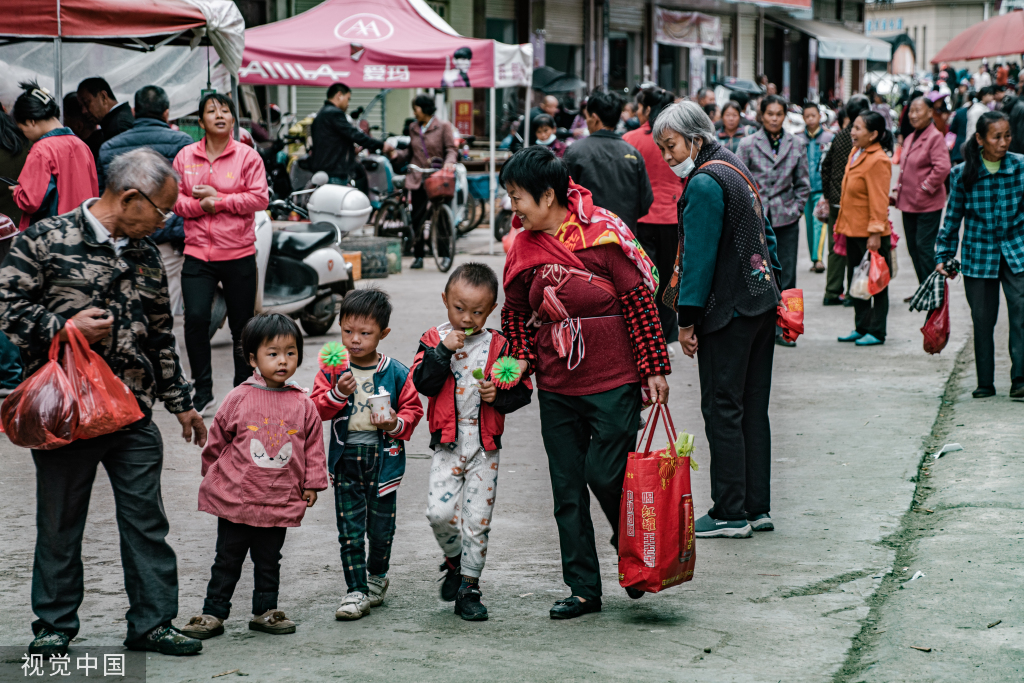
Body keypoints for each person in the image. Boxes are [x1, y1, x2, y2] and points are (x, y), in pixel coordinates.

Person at [0, 147, 207, 657]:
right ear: (130, 198)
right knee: (60, 522)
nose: (163, 224)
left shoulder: (145, 255)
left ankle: (152, 623)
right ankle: (53, 627)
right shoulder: (45, 240)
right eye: (160, 211)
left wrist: (181, 402)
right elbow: (6, 303)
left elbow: (161, 335)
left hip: (132, 410)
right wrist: (63, 327)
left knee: (146, 521)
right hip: (67, 412)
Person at [500, 146, 670, 619]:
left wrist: (654, 367)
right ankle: (583, 589)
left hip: (613, 382)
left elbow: (639, 303)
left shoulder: (602, 234)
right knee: (567, 491)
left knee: (605, 473)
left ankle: (632, 552)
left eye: (518, 197)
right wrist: (512, 370)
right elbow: (514, 316)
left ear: (548, 194)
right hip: (557, 387)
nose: (513, 208)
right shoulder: (524, 248)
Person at [653, 100, 780, 539]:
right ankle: (755, 506)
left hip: (730, 311)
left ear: (695, 137)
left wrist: (685, 321)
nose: (668, 157)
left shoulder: (705, 182)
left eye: (671, 146)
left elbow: (698, 261)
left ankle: (729, 511)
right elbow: (768, 233)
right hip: (761, 303)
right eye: (663, 149)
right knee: (751, 409)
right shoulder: (733, 165)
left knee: (723, 409)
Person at [180, 314, 329, 640]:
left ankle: (266, 611)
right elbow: (216, 440)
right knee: (227, 558)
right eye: (272, 353)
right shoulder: (239, 397)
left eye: (290, 352)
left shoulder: (303, 403)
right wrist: (212, 475)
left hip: (279, 498)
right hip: (237, 498)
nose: (282, 361)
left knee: (269, 560)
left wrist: (313, 483)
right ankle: (212, 613)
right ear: (253, 358)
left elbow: (314, 446)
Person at [412, 263, 533, 621]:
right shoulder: (433, 339)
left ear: (492, 309)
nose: (467, 318)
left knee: (477, 521)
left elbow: (522, 391)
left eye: (477, 311)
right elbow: (423, 382)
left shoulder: (499, 344)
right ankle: (453, 561)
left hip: (485, 448)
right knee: (439, 513)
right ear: (445, 300)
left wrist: (498, 396)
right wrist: (442, 352)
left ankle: (469, 586)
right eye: (459, 308)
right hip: (448, 444)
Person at [310, 289, 423, 621]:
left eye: (365, 333)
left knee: (381, 529)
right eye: (347, 331)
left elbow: (413, 411)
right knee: (350, 529)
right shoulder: (333, 369)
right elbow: (316, 408)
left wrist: (394, 422)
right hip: (346, 461)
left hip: (384, 462)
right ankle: (356, 589)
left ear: (383, 333)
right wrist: (336, 393)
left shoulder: (397, 372)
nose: (354, 339)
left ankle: (376, 576)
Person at [173, 93, 268, 417]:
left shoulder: (247, 156)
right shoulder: (185, 156)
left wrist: (221, 199)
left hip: (239, 252)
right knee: (196, 318)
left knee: (243, 326)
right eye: (212, 110)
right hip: (198, 253)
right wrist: (202, 206)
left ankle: (242, 388)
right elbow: (175, 201)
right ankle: (203, 390)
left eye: (225, 110)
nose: (219, 114)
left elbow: (259, 199)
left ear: (232, 120)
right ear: (201, 121)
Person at [936, 111, 1024, 399]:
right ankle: (985, 382)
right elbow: (952, 218)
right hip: (978, 255)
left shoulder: (1020, 167)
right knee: (983, 320)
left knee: (1021, 316)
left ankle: (1020, 379)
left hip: (1016, 253)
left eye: (1007, 136)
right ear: (980, 139)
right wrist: (945, 254)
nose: (1003, 142)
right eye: (996, 137)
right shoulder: (962, 173)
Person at [99, 85, 194, 316]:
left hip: (121, 242)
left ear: (134, 111)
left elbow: (105, 195)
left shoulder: (108, 147)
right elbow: (188, 193)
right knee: (163, 312)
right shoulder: (184, 143)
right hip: (167, 242)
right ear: (166, 113)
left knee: (122, 309)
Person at [736, 94, 810, 347]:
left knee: (788, 275)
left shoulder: (796, 144)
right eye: (770, 114)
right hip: (755, 219)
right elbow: (739, 181)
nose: (775, 118)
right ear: (762, 115)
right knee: (757, 272)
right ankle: (760, 324)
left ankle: (788, 326)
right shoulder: (747, 144)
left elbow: (803, 184)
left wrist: (796, 208)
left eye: (779, 114)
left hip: (786, 218)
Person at [624, 85, 682, 345]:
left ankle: (648, 331)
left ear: (647, 109)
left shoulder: (631, 139)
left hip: (642, 218)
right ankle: (669, 334)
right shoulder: (677, 138)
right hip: (672, 216)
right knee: (671, 277)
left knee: (647, 277)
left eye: (638, 107)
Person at [835, 111, 894, 347]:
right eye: (853, 127)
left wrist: (875, 233)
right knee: (857, 280)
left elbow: (879, 200)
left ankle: (877, 331)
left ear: (874, 134)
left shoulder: (878, 159)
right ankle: (861, 327)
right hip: (852, 230)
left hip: (871, 235)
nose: (853, 132)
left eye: (859, 129)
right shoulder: (856, 152)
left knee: (876, 283)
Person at [9, 82, 98, 231]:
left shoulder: (41, 150)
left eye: (22, 129)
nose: (25, 135)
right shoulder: (82, 146)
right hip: (83, 232)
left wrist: (18, 192)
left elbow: (31, 201)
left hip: (55, 237)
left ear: (31, 121)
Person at [563, 90, 654, 231]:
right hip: (624, 235)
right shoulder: (632, 153)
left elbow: (564, 197)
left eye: (587, 117)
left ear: (594, 117)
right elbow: (646, 201)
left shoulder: (575, 151)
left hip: (586, 237)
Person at [389, 94, 458, 270]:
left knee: (442, 220)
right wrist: (396, 155)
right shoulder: (413, 127)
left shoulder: (443, 126)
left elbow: (451, 149)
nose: (414, 113)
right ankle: (418, 255)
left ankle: (444, 255)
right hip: (418, 178)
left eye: (416, 109)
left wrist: (449, 162)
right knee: (417, 219)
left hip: (439, 178)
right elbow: (409, 153)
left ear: (424, 109)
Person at [820, 95, 871, 306]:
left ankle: (832, 291)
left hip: (835, 201)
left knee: (835, 248)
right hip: (854, 203)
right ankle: (852, 293)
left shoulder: (839, 136)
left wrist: (828, 193)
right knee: (853, 248)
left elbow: (825, 166)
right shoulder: (864, 139)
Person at [894, 97, 951, 284]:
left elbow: (942, 167)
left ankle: (934, 291)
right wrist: (897, 190)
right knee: (913, 248)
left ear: (929, 113)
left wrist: (924, 188)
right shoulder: (911, 137)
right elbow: (905, 168)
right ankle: (924, 287)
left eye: (918, 110)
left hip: (927, 204)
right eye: (911, 111)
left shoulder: (934, 137)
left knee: (924, 248)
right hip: (908, 203)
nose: (913, 115)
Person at [310, 83, 391, 194]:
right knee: (336, 208)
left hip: (324, 172)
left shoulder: (321, 115)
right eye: (348, 99)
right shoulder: (334, 113)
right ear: (339, 95)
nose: (348, 104)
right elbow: (354, 134)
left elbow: (332, 142)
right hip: (334, 173)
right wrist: (381, 145)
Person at [0, 110, 28, 395]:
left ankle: (9, 374)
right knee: (8, 299)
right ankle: (12, 374)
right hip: (15, 230)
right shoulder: (19, 140)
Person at [797, 102, 835, 273]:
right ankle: (815, 258)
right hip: (804, 188)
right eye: (807, 116)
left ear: (820, 116)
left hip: (821, 188)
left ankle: (818, 259)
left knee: (819, 222)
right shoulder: (798, 138)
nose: (811, 119)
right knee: (809, 225)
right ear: (803, 118)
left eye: (814, 115)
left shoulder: (829, 138)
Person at [76, 77, 134, 148]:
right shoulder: (120, 119)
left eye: (86, 103)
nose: (83, 111)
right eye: (81, 106)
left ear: (103, 97)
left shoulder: (119, 125)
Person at [61, 93, 103, 159]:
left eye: (65, 124)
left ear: (79, 126)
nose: (62, 127)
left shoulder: (81, 153)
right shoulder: (106, 138)